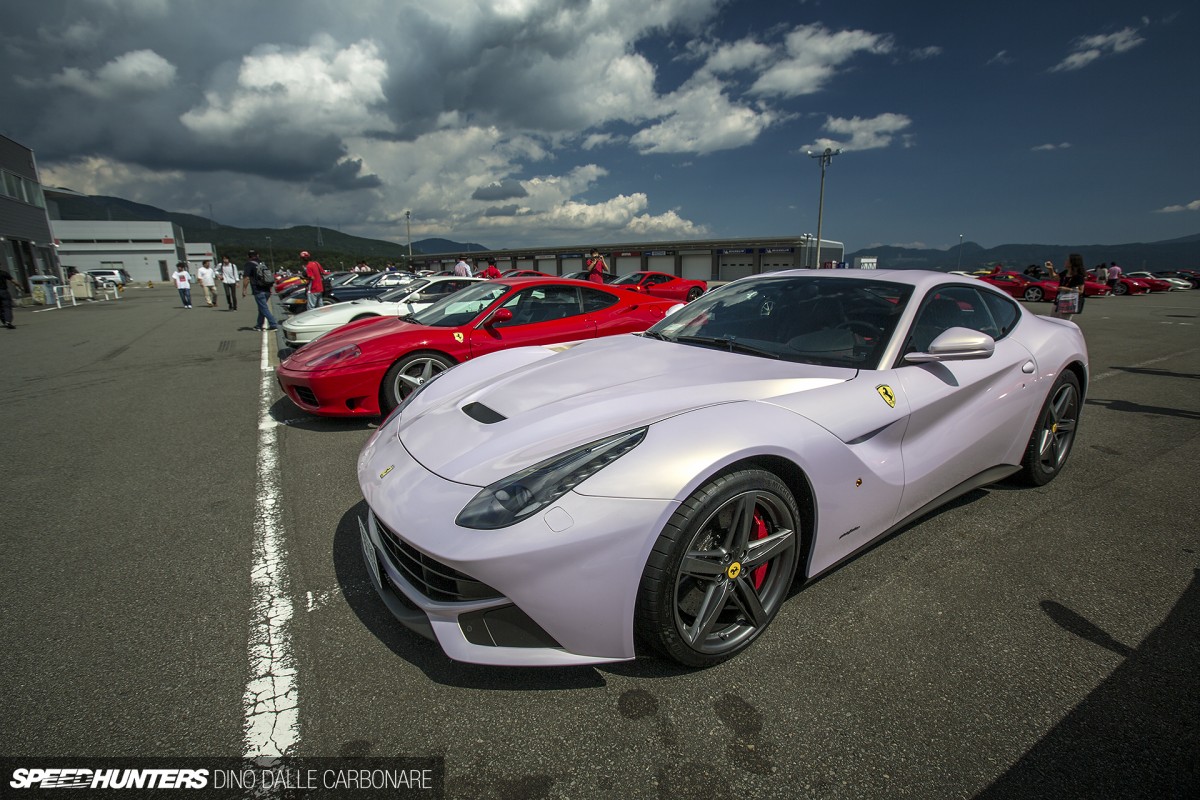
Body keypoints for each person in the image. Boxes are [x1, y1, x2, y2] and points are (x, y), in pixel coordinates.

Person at [241, 249, 278, 331]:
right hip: (267, 289)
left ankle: (273, 324)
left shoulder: (249, 264)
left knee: (263, 308)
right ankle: (259, 325)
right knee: (262, 308)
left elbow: (246, 278)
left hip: (258, 289)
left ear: (248, 256)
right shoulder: (263, 264)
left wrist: (244, 289)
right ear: (258, 255)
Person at [1054, 253, 1087, 319]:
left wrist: (1067, 289)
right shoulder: (1065, 272)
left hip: (1069, 302)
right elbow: (1054, 278)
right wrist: (1050, 269)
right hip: (1058, 300)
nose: (1065, 261)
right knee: (1053, 320)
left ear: (1072, 263)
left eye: (1067, 260)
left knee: (1064, 322)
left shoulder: (1079, 276)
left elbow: (1081, 291)